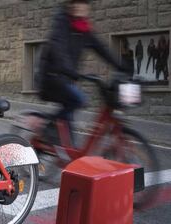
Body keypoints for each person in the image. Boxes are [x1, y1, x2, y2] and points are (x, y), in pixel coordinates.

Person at [38, 0, 127, 145]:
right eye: (74, 3)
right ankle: (49, 127)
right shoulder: (61, 23)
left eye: (82, 3)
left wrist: (121, 66)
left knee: (69, 122)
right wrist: (70, 69)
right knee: (79, 99)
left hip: (66, 78)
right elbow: (57, 48)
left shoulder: (84, 29)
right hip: (51, 77)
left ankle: (66, 152)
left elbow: (101, 49)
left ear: (88, 7)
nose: (77, 6)